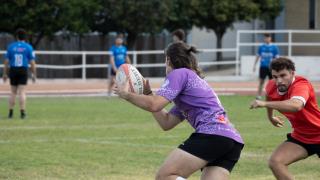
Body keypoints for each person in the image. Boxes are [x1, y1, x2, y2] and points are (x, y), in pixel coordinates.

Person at [114, 42, 244, 180]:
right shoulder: (192, 84)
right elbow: (167, 122)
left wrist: (127, 95)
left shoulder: (179, 73)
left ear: (169, 60)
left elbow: (155, 105)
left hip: (212, 133)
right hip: (231, 139)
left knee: (165, 176)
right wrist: (148, 95)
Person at [250, 57, 320, 180]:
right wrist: (270, 116)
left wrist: (265, 104)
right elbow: (269, 96)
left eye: (283, 75)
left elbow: (296, 105)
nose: (279, 81)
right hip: (302, 137)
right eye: (275, 76)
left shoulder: (301, 84)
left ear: (292, 73)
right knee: (276, 162)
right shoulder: (271, 85)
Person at [3, 28, 37, 119]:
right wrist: (34, 74)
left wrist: (5, 73)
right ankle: (22, 113)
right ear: (25, 37)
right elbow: (32, 62)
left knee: (13, 92)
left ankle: (10, 113)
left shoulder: (11, 46)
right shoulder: (28, 47)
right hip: (23, 70)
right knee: (22, 92)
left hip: (13, 69)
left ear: (16, 37)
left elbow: (6, 61)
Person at [253, 33, 279, 100]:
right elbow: (258, 56)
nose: (267, 39)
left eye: (268, 37)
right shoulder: (261, 47)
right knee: (261, 81)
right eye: (265, 38)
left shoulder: (274, 47)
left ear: (270, 38)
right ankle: (259, 95)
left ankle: (273, 95)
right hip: (263, 66)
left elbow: (277, 58)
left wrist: (276, 67)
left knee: (273, 82)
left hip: (271, 68)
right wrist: (254, 65)